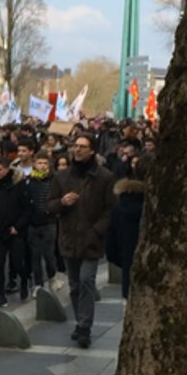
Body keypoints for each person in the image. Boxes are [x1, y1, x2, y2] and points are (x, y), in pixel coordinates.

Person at [46, 134, 115, 349]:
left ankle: (85, 326)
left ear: (92, 150)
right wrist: (62, 202)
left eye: (83, 147)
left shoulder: (104, 177)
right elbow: (50, 205)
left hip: (91, 240)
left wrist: (96, 231)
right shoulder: (62, 177)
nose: (78, 150)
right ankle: (79, 320)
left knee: (86, 280)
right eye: (76, 146)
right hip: (69, 238)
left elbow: (111, 209)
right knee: (74, 285)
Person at [0, 156, 30, 307]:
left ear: (7, 169)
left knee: (17, 263)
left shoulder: (19, 185)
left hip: (15, 230)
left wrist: (18, 226)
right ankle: (0, 295)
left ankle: (24, 280)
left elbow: (26, 209)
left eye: (0, 169)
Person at [106, 156, 149, 300]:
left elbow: (111, 247)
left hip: (130, 279)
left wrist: (125, 261)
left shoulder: (121, 206)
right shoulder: (156, 208)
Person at [23, 154, 60, 295]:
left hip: (49, 222)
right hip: (33, 222)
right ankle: (38, 284)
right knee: (35, 255)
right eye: (39, 162)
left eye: (45, 162)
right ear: (34, 164)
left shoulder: (54, 180)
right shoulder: (29, 181)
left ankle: (52, 276)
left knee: (48, 253)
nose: (42, 165)